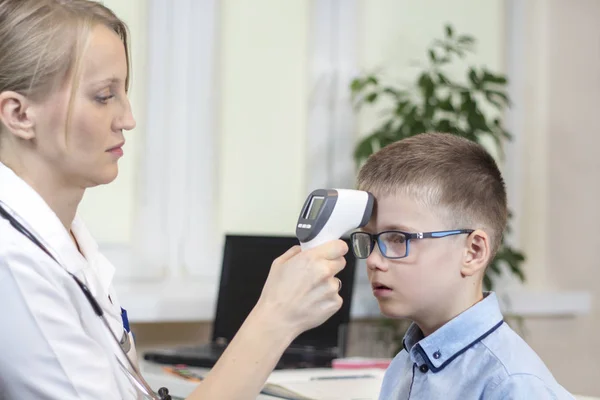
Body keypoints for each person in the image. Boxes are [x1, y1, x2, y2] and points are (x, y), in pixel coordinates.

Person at [0, 1, 348, 399]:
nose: (127, 118)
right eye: (103, 96)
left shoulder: (66, 240)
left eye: (123, 92)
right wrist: (276, 316)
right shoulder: (12, 264)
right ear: (19, 113)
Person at [351, 132, 574, 399]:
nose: (374, 260)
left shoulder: (512, 385)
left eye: (399, 238)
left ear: (473, 252)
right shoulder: (403, 367)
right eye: (371, 239)